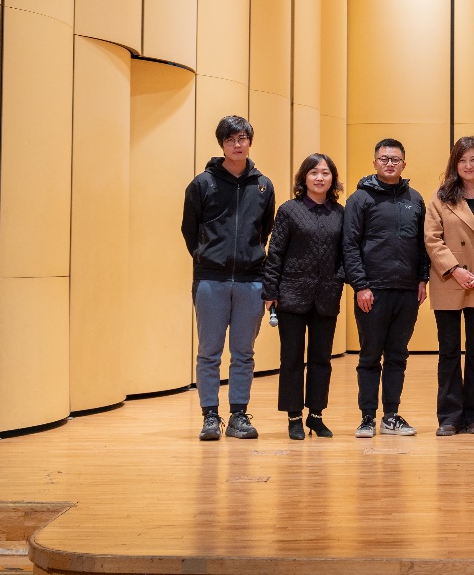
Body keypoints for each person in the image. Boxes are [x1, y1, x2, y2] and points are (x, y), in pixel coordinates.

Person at [180, 115, 276, 441]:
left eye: (242, 139)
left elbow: (265, 229)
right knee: (209, 352)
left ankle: (238, 416)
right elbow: (189, 229)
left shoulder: (263, 185)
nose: (237, 144)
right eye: (231, 139)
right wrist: (207, 256)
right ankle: (210, 416)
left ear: (250, 142)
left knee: (243, 353)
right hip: (211, 280)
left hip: (251, 281)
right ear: (222, 144)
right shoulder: (202, 184)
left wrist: (249, 258)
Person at [343, 138, 429, 438]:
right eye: (384, 159)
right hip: (372, 291)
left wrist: (422, 279)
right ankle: (367, 417)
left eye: (395, 159)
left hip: (406, 291)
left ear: (404, 164)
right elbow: (349, 245)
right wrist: (360, 285)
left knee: (397, 355)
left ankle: (391, 416)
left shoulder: (415, 199)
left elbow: (422, 244)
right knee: (369, 356)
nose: (389, 163)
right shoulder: (360, 199)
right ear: (375, 162)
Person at [424, 137, 474, 436]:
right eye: (462, 160)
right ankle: (449, 416)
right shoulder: (440, 197)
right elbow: (432, 239)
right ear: (454, 163)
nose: (468, 165)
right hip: (448, 279)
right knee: (448, 350)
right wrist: (455, 269)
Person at [261, 153, 345, 441]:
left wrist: (339, 278)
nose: (319, 178)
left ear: (333, 179)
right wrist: (270, 291)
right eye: (314, 172)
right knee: (292, 358)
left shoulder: (341, 213)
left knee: (322, 358)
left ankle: (316, 415)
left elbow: (346, 253)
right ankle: (294, 417)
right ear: (304, 178)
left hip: (327, 296)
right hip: (291, 295)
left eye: (325, 173)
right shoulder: (289, 210)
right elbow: (275, 253)